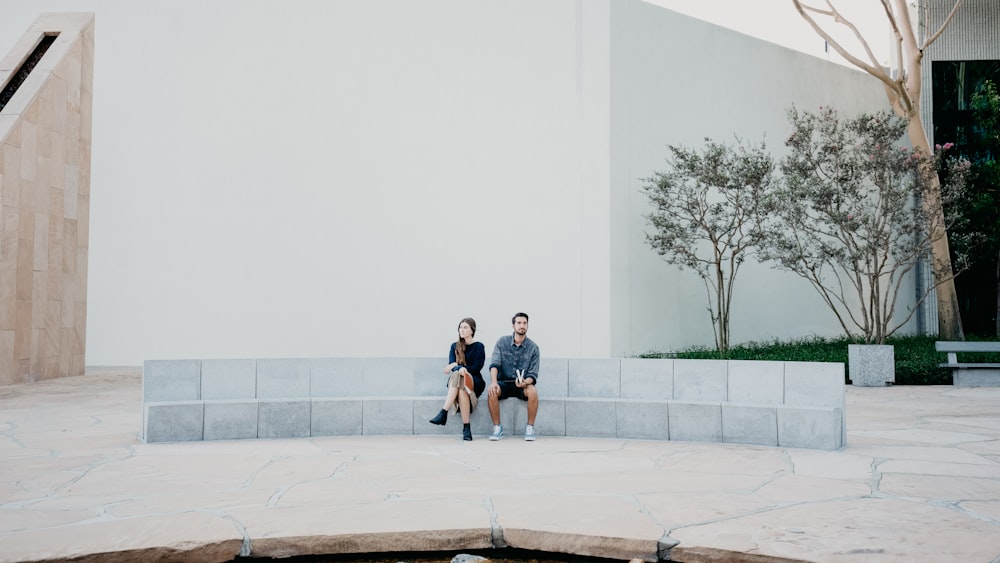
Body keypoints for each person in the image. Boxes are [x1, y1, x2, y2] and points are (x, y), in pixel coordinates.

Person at [429, 317, 485, 441]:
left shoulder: (479, 346)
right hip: (458, 383)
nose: (462, 330)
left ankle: (444, 412)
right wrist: (457, 368)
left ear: (472, 330)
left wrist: (459, 367)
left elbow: (476, 368)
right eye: (460, 327)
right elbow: (451, 364)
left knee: (460, 375)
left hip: (474, 380)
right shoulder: (455, 346)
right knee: (461, 387)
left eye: (465, 327)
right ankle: (466, 428)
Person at [487, 312, 539, 441]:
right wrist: (494, 382)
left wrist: (525, 382)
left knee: (532, 390)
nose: (522, 326)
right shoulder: (502, 342)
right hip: (503, 382)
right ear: (513, 325)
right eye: (519, 323)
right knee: (492, 390)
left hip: (522, 385)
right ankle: (497, 428)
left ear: (528, 325)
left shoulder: (533, 347)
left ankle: (530, 428)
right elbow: (494, 364)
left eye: (525, 323)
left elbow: (533, 374)